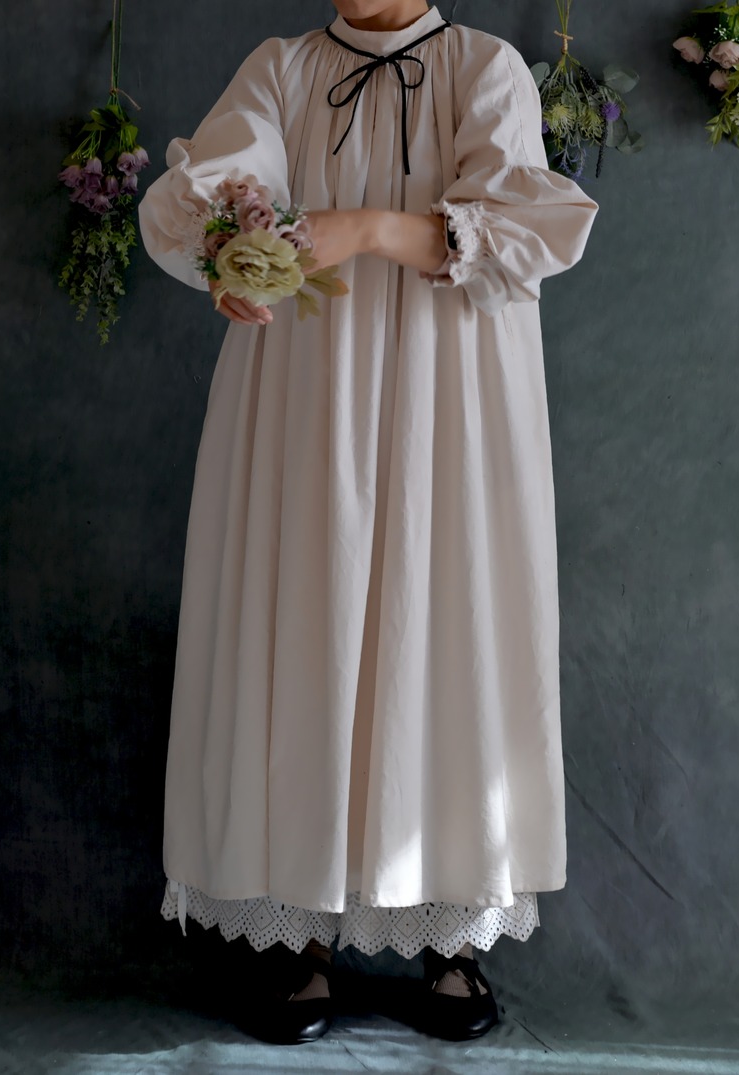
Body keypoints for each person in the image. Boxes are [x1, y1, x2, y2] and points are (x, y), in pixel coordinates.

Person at [138, 0, 598, 1045]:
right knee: (308, 616)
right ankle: (296, 926)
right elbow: (222, 182)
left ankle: (452, 931)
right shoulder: (283, 68)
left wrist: (365, 227)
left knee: (446, 623)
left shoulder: (483, 70)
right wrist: (229, 250)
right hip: (305, 396)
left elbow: (520, 232)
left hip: (451, 397)